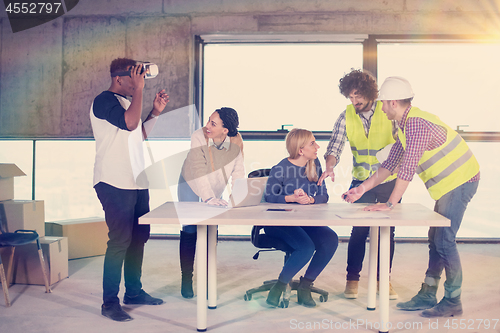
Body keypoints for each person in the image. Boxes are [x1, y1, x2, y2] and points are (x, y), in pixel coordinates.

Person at [342, 76, 480, 318]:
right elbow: (388, 166)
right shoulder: (405, 127)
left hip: (461, 181)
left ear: (393, 103)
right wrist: (361, 189)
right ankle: (428, 293)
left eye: (383, 103)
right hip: (449, 185)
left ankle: (453, 301)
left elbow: (407, 169)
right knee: (436, 238)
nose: (381, 108)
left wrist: (389, 204)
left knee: (445, 240)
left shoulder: (416, 124)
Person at [90, 58, 169, 321]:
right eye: (134, 76)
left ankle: (133, 292)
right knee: (120, 241)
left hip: (136, 181)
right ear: (119, 78)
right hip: (113, 182)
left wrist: (155, 111)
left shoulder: (127, 102)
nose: (139, 80)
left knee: (139, 237)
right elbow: (131, 124)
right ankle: (109, 303)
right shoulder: (103, 101)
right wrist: (140, 91)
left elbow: (139, 133)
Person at [318, 69, 399, 300]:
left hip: (388, 180)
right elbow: (335, 145)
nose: (354, 102)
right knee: (359, 230)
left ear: (369, 93)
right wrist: (330, 166)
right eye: (350, 98)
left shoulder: (387, 112)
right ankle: (352, 279)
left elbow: (401, 144)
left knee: (386, 232)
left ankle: (384, 281)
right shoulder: (346, 116)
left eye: (357, 97)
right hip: (361, 180)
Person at [264, 128, 339, 308]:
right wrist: (291, 199)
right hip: (279, 223)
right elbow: (269, 197)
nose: (317, 146)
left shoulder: (315, 165)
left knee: (330, 239)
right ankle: (279, 286)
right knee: (306, 247)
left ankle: (305, 286)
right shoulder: (281, 168)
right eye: (312, 143)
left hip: (304, 222)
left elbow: (324, 196)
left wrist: (311, 199)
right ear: (300, 150)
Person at [177, 107, 244, 298]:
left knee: (210, 230)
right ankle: (186, 279)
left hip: (214, 185)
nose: (207, 126)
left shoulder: (236, 141)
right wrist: (208, 198)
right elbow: (197, 169)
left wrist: (238, 198)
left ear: (225, 130)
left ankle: (207, 278)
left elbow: (238, 171)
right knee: (190, 227)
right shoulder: (199, 136)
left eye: (213, 124)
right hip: (190, 181)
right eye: (208, 120)